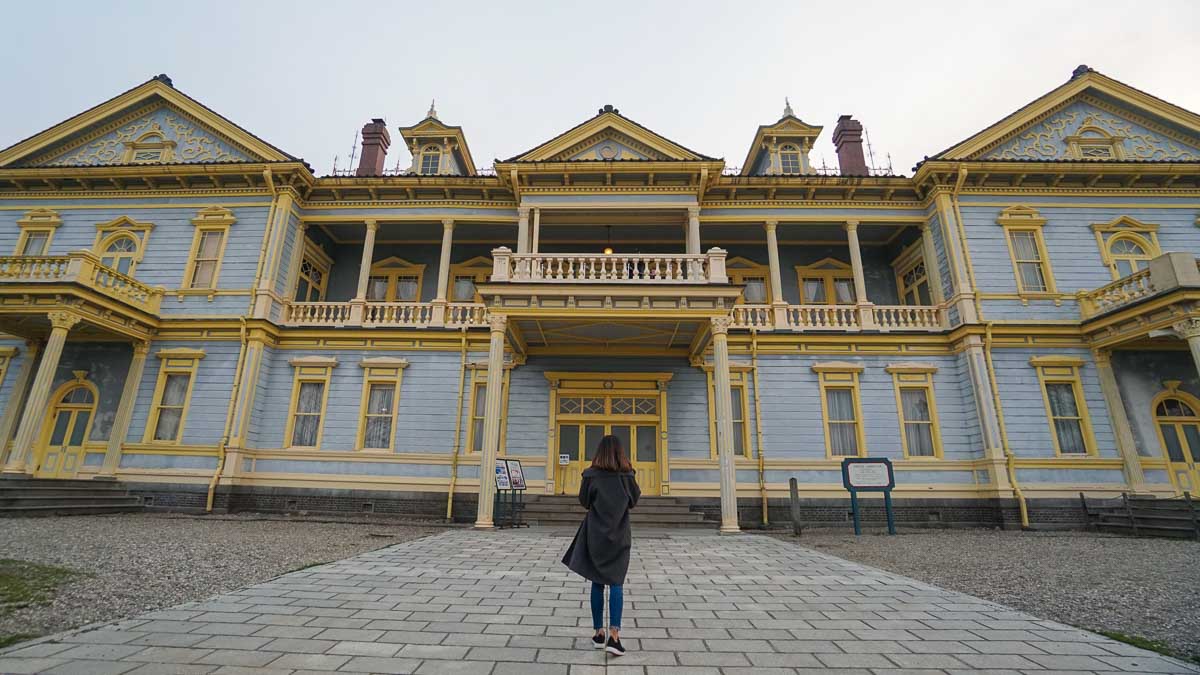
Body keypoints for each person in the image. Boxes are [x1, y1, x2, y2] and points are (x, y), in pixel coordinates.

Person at [561, 434, 640, 656]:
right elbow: (634, 501)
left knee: (597, 582)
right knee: (616, 582)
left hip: (595, 534)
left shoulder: (591, 475)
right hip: (620, 534)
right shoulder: (627, 475)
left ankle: (598, 633)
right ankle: (615, 636)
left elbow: (584, 501)